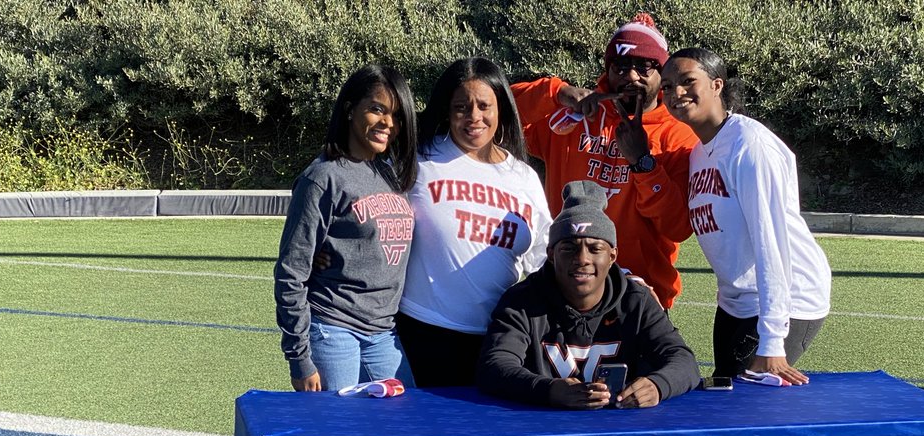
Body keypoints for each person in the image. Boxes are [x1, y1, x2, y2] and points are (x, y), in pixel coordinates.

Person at [660, 47, 831, 386]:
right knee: (724, 395)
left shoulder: (749, 145)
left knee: (749, 406)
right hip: (736, 301)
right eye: (666, 86)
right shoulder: (699, 152)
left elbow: (772, 243)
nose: (676, 92)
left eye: (687, 81)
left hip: (787, 299)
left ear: (717, 85)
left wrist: (772, 340)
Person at [511, 13, 698, 309]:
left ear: (661, 72)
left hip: (639, 296)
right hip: (564, 285)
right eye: (620, 66)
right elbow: (498, 115)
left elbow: (678, 227)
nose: (631, 76)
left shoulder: (679, 134)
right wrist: (556, 93)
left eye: (643, 66)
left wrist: (642, 163)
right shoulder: (574, 117)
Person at [396, 57, 553, 387]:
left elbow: (545, 255)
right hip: (421, 331)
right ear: (446, 109)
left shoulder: (523, 176)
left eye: (484, 105)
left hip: (498, 340)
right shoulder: (420, 158)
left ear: (501, 109)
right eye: (461, 107)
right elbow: (368, 202)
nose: (474, 117)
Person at [478, 181, 700, 409]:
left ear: (613, 256)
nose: (582, 259)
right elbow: (495, 366)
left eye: (595, 249)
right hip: (544, 431)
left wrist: (657, 385)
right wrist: (549, 390)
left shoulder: (636, 301)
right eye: (569, 248)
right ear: (551, 254)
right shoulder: (522, 301)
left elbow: (683, 361)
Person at [273, 64, 418, 391]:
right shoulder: (322, 178)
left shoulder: (391, 172)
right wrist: (299, 357)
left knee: (397, 430)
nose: (388, 123)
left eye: (396, 115)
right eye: (377, 109)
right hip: (333, 329)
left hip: (384, 333)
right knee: (336, 434)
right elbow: (290, 271)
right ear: (351, 109)